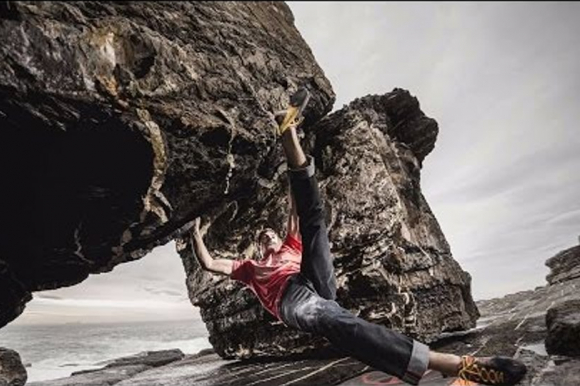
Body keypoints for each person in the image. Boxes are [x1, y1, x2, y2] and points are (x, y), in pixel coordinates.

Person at [190, 88, 526, 386]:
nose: (265, 235)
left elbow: (301, 203)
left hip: (312, 278)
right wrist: (194, 232)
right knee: (332, 319)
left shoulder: (290, 245)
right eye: (260, 235)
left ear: (276, 237)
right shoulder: (249, 269)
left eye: (269, 231)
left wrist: (295, 146)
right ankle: (455, 366)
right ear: (259, 246)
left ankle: (286, 129)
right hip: (290, 301)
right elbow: (209, 263)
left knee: (313, 218)